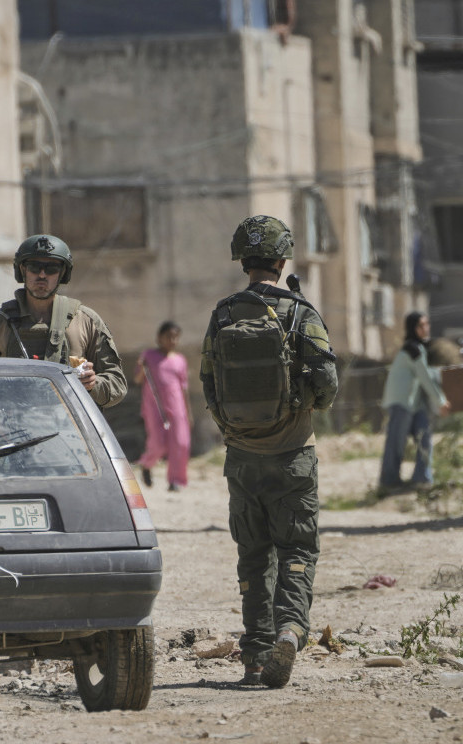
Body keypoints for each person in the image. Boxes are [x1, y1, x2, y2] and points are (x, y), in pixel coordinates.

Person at [200, 215, 337, 690]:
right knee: (297, 549)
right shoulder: (301, 312)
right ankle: (291, 631)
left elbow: (208, 384)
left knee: (253, 557)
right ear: (282, 260)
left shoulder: (222, 315)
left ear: (243, 261)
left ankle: (256, 658)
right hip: (293, 454)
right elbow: (327, 382)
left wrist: (233, 429)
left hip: (241, 459)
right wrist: (303, 409)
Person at [0, 234, 126, 409]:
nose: (42, 275)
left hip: (70, 430)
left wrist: (93, 384)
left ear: (62, 273)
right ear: (22, 270)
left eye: (51, 269)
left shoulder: (85, 321)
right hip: (11, 430)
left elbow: (117, 384)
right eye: (34, 267)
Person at [378, 312, 451, 493]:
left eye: (426, 324)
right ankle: (389, 482)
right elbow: (425, 377)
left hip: (415, 404)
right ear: (413, 328)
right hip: (401, 402)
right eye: (421, 325)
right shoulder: (412, 349)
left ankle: (422, 478)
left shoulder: (420, 348)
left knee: (424, 436)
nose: (426, 328)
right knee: (396, 443)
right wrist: (441, 401)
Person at [135, 321, 192, 492]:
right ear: (159, 338)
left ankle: (176, 481)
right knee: (158, 444)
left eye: (175, 337)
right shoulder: (149, 356)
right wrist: (141, 367)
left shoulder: (180, 360)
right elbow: (138, 380)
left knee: (180, 443)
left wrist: (189, 414)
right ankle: (146, 465)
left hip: (177, 408)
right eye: (168, 336)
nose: (172, 340)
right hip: (155, 408)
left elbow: (184, 388)